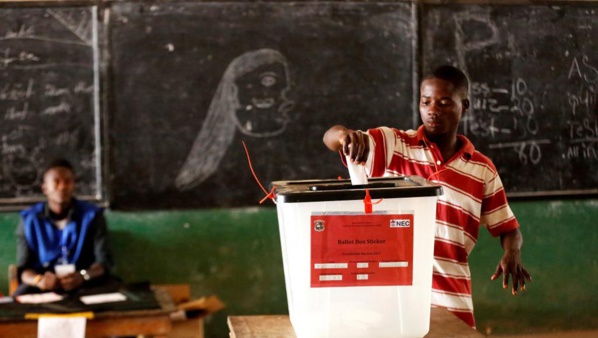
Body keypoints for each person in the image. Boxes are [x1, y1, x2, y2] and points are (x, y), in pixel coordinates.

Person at [323, 65, 531, 328]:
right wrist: (344, 136)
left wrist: (512, 252)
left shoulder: (482, 170)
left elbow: (508, 228)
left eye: (444, 103)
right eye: (426, 102)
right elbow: (330, 137)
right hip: (394, 296)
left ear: (464, 106)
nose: (433, 110)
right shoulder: (395, 146)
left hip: (452, 296)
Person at [15, 158, 116, 296]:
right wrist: (39, 280)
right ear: (45, 188)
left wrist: (82, 276)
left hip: (84, 282)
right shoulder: (29, 219)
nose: (62, 187)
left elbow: (103, 263)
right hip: (44, 285)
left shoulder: (92, 216)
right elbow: (24, 269)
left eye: (67, 182)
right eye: (56, 182)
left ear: (73, 185)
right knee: (19, 303)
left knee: (117, 295)